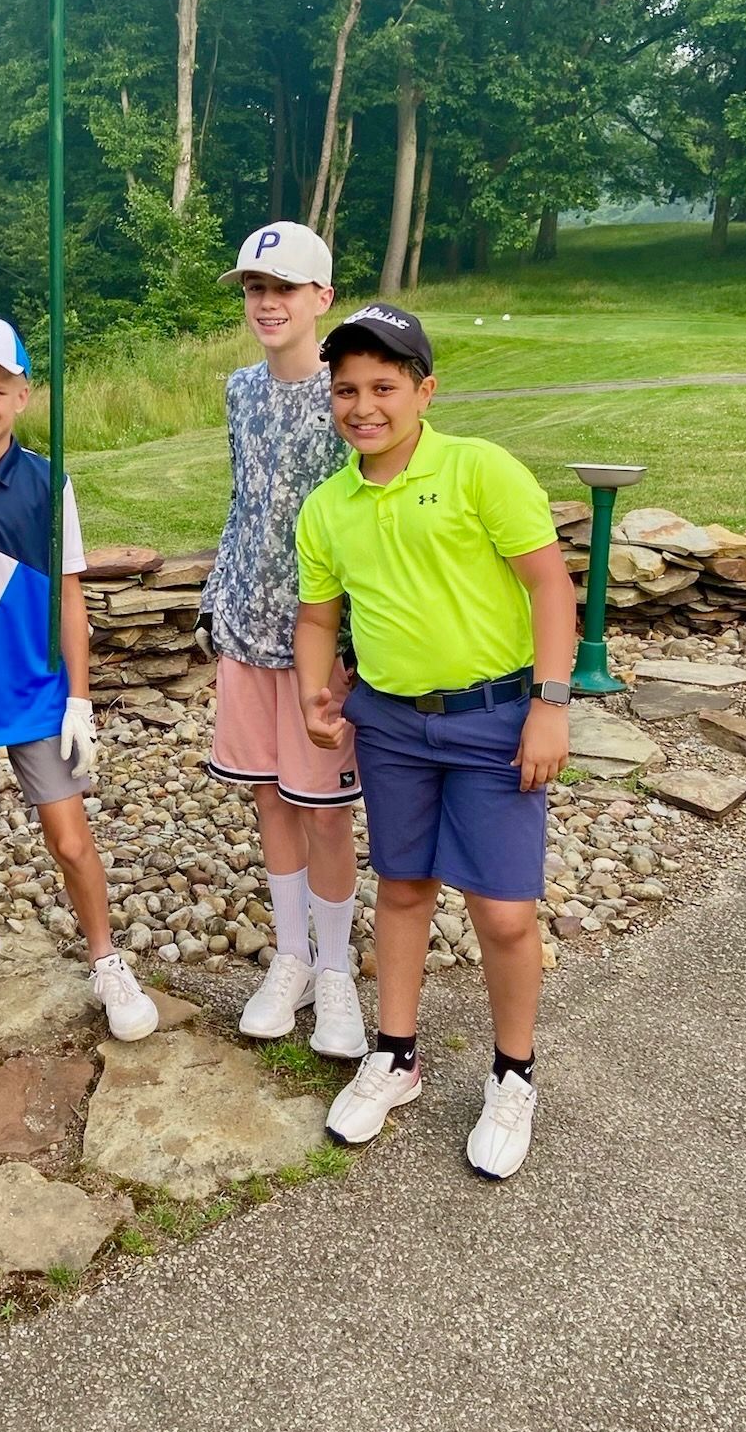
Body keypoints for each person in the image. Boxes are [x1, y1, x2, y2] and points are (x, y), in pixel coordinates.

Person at [293, 304, 574, 1180]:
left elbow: (549, 587)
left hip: (494, 720)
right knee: (405, 889)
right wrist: (313, 692)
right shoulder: (329, 504)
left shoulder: (478, 469)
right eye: (346, 389)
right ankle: (397, 1056)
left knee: (501, 911)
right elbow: (317, 616)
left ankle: (513, 1073)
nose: (363, 405)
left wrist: (550, 705)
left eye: (383, 385)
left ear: (423, 389)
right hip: (388, 723)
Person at [0, 315, 159, 1082]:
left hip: (36, 694)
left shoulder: (47, 479)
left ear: (23, 394)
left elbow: (69, 598)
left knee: (70, 839)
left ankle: (106, 961)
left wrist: (79, 700)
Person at [201, 222, 366, 1056]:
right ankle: (291, 957)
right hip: (243, 629)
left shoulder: (347, 399)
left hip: (322, 643)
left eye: (284, 289)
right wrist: (212, 600)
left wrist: (353, 646)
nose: (266, 303)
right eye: (254, 290)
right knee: (268, 795)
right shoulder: (238, 390)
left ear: (320, 300)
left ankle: (336, 971)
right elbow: (243, 506)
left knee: (325, 810)